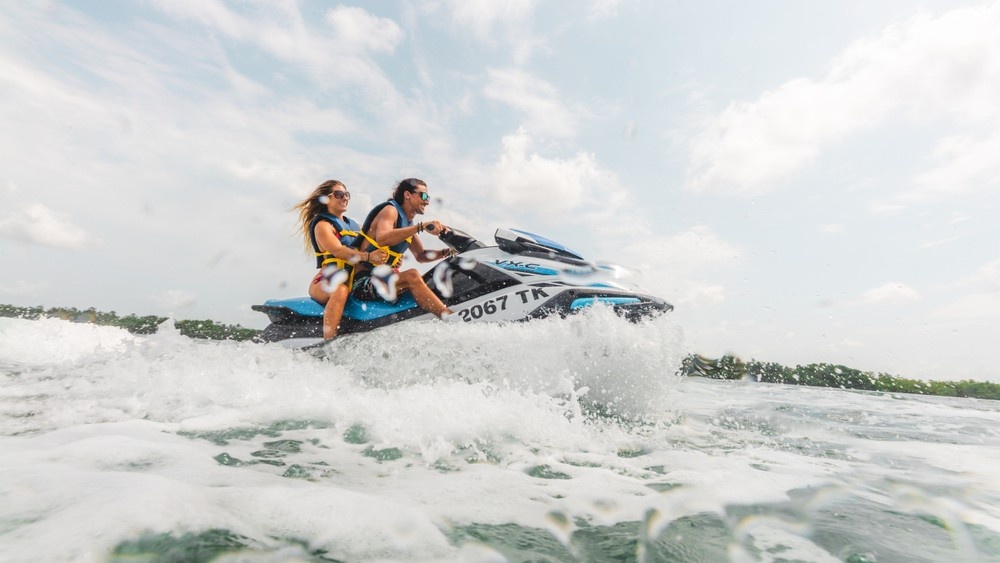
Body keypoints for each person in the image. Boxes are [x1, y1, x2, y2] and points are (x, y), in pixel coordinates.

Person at [293, 180, 389, 340]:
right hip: (326, 281)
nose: (345, 198)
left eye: (347, 194)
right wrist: (369, 257)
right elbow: (338, 251)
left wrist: (386, 259)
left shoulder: (355, 226)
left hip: (354, 279)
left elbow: (370, 248)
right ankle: (329, 342)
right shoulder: (323, 225)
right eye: (339, 194)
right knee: (341, 290)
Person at [351, 178, 454, 318]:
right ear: (407, 195)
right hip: (362, 283)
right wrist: (421, 227)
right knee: (412, 275)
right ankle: (449, 317)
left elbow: (421, 255)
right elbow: (382, 238)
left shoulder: (408, 224)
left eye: (428, 198)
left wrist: (447, 252)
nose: (427, 202)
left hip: (384, 281)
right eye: (424, 196)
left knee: (428, 279)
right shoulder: (390, 211)